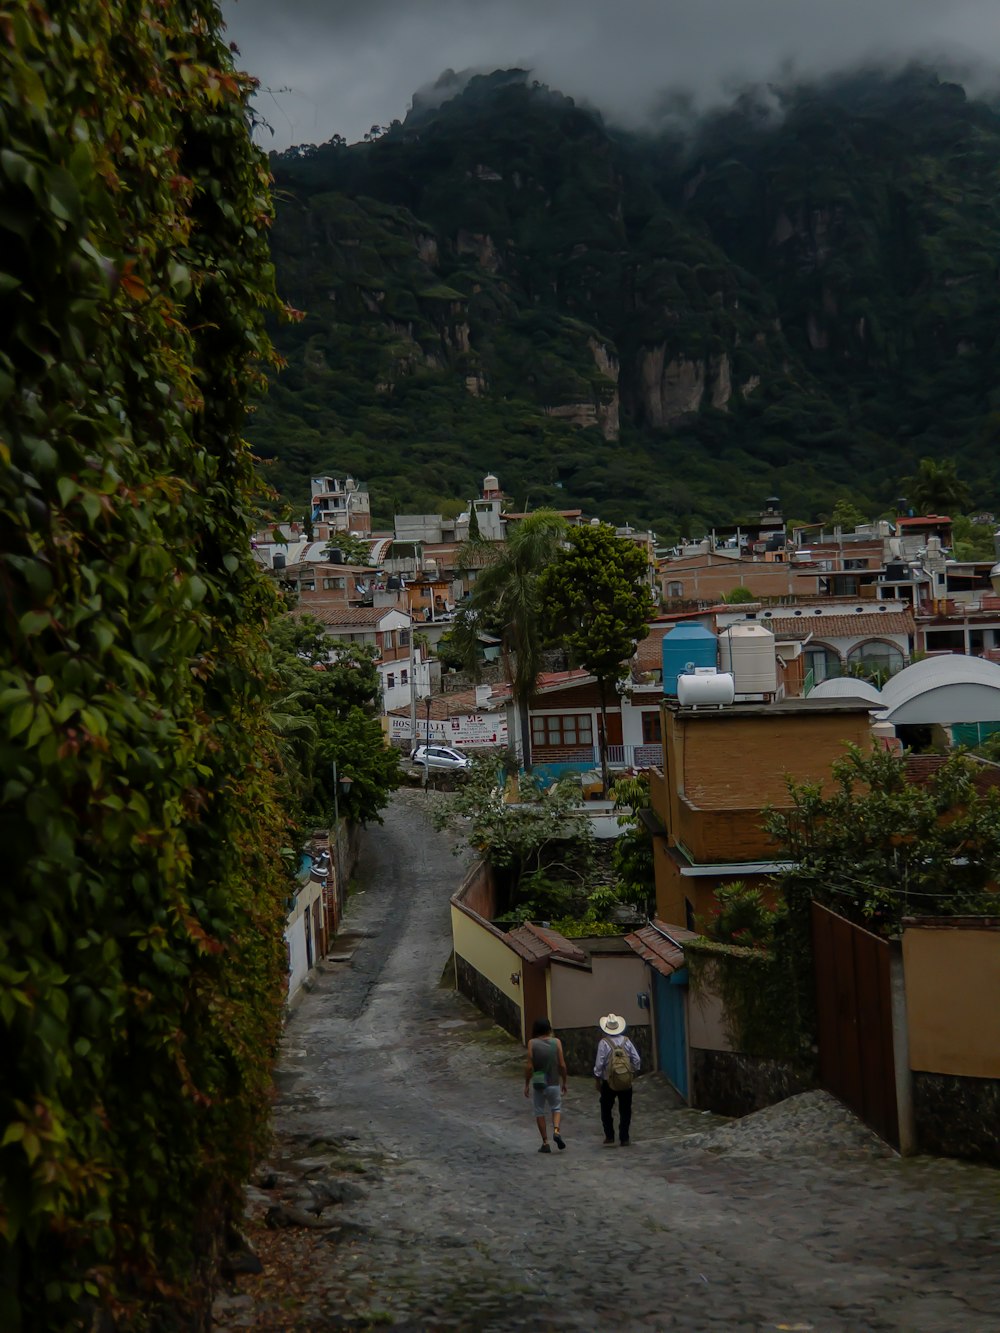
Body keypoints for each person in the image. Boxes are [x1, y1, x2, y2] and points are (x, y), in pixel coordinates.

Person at [593, 1013, 640, 1146]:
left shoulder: (604, 1043)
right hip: (625, 1080)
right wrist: (631, 1072)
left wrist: (597, 1078)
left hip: (609, 1081)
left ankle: (609, 1136)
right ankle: (624, 1137)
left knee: (606, 1108)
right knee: (625, 1109)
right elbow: (636, 1060)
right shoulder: (627, 1041)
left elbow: (599, 1064)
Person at [523, 1017, 568, 1153]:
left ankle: (545, 1142)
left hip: (539, 1084)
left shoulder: (532, 1043)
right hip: (554, 1082)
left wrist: (526, 1084)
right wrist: (564, 1081)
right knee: (556, 1108)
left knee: (539, 1111)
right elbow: (562, 1064)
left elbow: (529, 1067)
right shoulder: (557, 1042)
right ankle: (556, 1131)